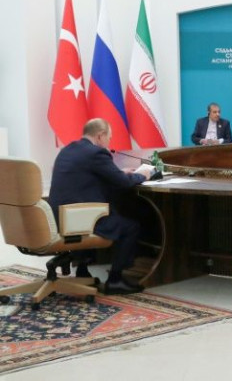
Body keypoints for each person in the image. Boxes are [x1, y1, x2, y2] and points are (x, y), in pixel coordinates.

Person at [48, 118, 154, 295]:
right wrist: (143, 175)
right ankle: (115, 280)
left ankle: (82, 270)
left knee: (106, 214)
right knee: (130, 226)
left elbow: (88, 177)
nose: (109, 142)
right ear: (100, 135)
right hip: (79, 219)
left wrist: (119, 173)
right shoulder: (96, 153)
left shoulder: (67, 150)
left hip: (59, 218)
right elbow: (123, 183)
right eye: (109, 138)